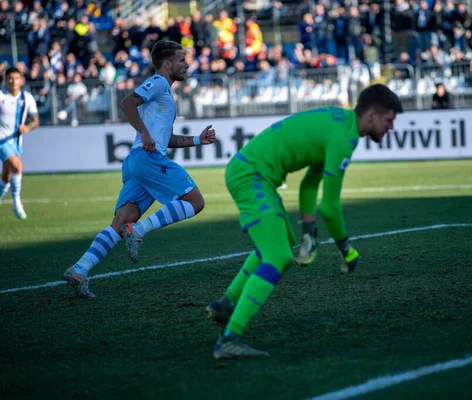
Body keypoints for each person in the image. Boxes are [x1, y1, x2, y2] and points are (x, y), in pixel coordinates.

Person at [206, 84, 403, 359]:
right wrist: (346, 250)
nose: (390, 127)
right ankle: (229, 339)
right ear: (371, 115)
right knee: (279, 257)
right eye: (389, 120)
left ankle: (225, 305)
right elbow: (331, 207)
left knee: (281, 245)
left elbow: (310, 185)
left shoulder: (341, 124)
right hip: (252, 175)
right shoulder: (344, 138)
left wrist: (308, 232)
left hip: (252, 172)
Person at [63, 40, 216, 299]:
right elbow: (126, 104)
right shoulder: (158, 82)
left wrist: (198, 140)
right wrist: (144, 132)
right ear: (167, 64)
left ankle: (80, 269)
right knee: (195, 201)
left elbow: (166, 139)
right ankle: (141, 230)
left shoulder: (164, 93)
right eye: (181, 60)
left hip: (137, 163)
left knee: (121, 222)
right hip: (148, 159)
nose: (186, 64)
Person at [0, 67, 39, 219]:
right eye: (10, 78)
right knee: (17, 167)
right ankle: (16, 202)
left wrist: (27, 127)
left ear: (21, 80)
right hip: (1, 141)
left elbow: (35, 121)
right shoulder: (1, 96)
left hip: (15, 142)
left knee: (6, 175)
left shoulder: (26, 97)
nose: (13, 81)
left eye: (16, 78)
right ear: (5, 79)